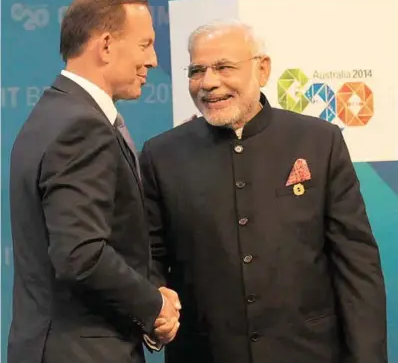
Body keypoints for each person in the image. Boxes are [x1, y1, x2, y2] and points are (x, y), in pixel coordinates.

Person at [139, 19, 388, 363]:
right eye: (197, 71)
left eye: (224, 67)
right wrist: (156, 310)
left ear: (263, 69)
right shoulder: (161, 154)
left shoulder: (319, 141)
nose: (209, 83)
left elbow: (356, 264)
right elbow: (149, 255)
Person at [8, 0, 181, 363]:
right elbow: (81, 254)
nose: (153, 59)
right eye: (144, 44)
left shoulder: (53, 113)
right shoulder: (81, 127)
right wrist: (154, 305)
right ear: (105, 46)